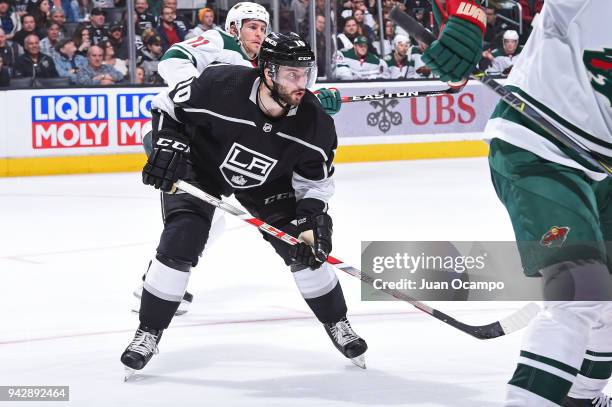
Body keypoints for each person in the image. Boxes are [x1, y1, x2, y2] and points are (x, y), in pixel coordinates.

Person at [120, 32, 368, 375]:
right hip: (200, 167)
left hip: (268, 183)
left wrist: (312, 218)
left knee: (304, 250)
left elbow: (315, 183)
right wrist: (167, 145)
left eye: (306, 74)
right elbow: (168, 107)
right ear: (266, 71)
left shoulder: (316, 125)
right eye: (291, 74)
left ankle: (338, 323)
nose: (301, 83)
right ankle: (147, 332)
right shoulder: (221, 84)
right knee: (182, 239)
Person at [424, 0, 612, 406]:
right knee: (582, 290)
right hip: (542, 147)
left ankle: (583, 398)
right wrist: (469, 14)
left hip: (605, 167)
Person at [134, 1, 342, 316]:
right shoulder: (219, 41)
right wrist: (195, 93)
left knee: (209, 217)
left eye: (263, 28)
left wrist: (314, 100)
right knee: (194, 215)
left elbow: (283, 101)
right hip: (183, 132)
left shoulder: (266, 65)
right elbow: (173, 58)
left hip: (226, 148)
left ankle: (162, 276)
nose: (259, 33)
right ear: (234, 28)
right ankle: (159, 279)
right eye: (252, 27)